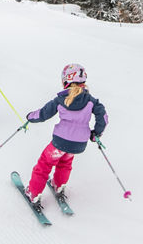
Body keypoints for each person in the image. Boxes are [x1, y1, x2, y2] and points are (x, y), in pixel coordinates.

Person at [23, 63, 108, 210]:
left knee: (44, 165)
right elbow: (103, 117)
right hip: (78, 144)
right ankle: (59, 185)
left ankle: (34, 193)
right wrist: (96, 133)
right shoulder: (91, 101)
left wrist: (30, 117)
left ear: (66, 80)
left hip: (59, 142)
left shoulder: (60, 99)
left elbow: (43, 114)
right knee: (65, 163)